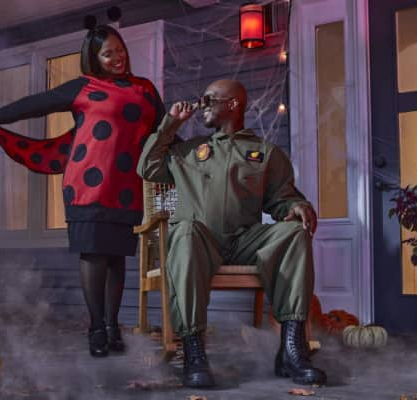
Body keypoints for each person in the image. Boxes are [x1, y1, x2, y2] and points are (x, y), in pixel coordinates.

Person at [0, 25, 165, 358]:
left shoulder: (145, 90)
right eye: (108, 53)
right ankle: (96, 328)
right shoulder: (84, 87)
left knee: (116, 257)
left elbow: (163, 132)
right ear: (95, 59)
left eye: (120, 49)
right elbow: (36, 104)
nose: (117, 57)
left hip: (126, 187)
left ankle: (114, 328)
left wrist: (196, 154)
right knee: (94, 254)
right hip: (87, 184)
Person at [136, 79, 327, 388]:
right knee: (183, 230)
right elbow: (146, 167)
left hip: (244, 241)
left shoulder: (264, 153)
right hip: (199, 242)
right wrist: (170, 124)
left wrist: (298, 206)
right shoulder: (187, 151)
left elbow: (283, 199)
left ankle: (292, 350)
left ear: (233, 104)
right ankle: (195, 352)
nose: (202, 105)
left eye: (209, 99)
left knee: (293, 234)